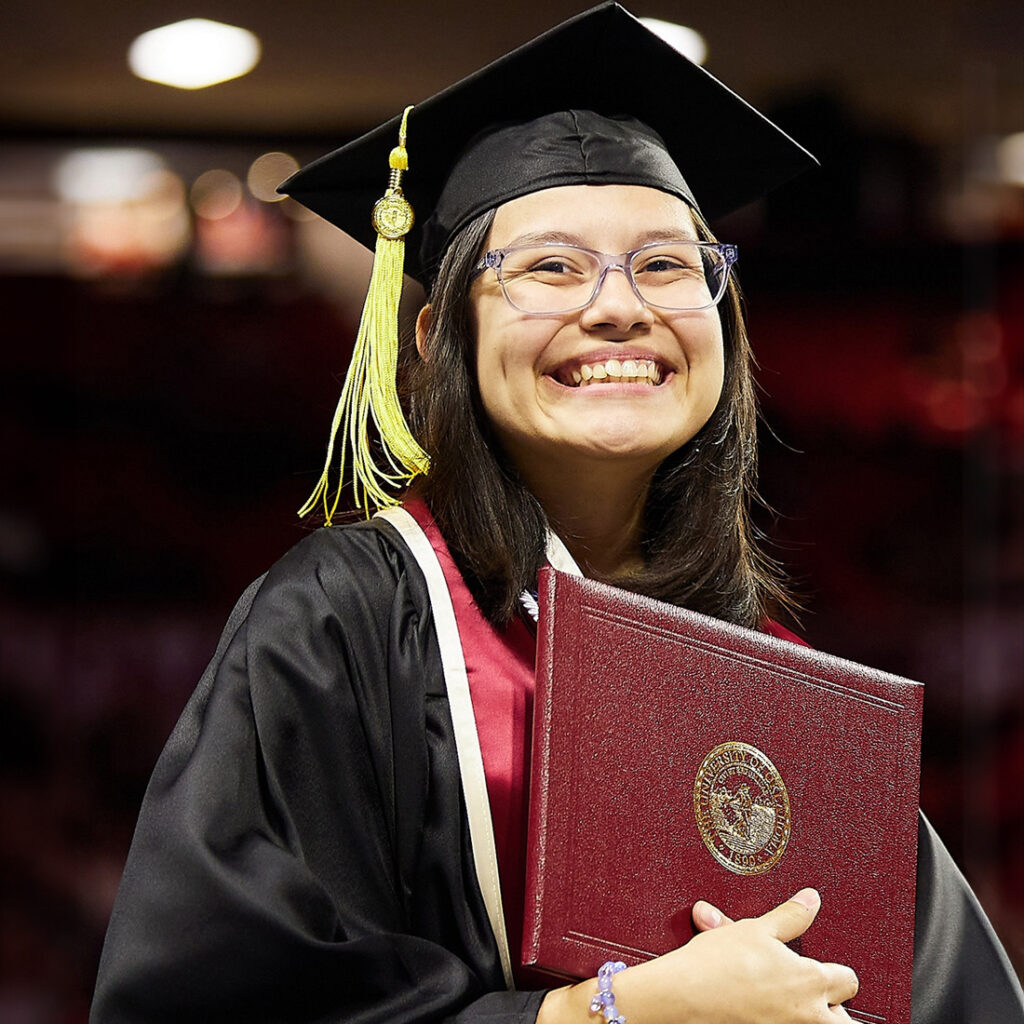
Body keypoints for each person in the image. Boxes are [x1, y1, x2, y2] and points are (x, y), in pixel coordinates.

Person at [91, 5, 1024, 1023]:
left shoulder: (774, 675)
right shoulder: (343, 621)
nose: (619, 306)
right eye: (550, 266)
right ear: (437, 332)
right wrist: (601, 1014)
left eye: (668, 264)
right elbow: (214, 999)